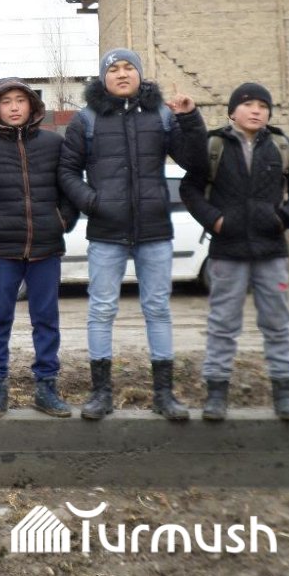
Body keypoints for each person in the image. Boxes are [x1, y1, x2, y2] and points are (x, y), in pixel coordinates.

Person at [59, 48, 207, 421]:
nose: (122, 74)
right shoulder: (86, 120)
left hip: (154, 229)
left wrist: (190, 118)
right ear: (103, 77)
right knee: (101, 308)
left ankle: (164, 394)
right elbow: (67, 172)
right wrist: (93, 202)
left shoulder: (162, 115)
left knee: (157, 308)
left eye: (129, 68)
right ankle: (101, 393)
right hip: (106, 230)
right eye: (114, 69)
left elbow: (196, 161)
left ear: (139, 74)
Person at [180, 82, 289, 421]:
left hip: (272, 251)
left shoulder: (281, 145)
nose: (256, 110)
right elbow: (190, 188)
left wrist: (284, 218)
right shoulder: (214, 145)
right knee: (222, 324)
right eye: (249, 104)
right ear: (232, 111)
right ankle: (216, 393)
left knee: (277, 323)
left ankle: (283, 393)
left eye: (263, 106)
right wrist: (216, 221)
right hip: (227, 251)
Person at [0, 80, 78, 419]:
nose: (14, 107)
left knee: (46, 321)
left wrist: (61, 221)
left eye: (20, 100)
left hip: (46, 249)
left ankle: (47, 387)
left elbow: (69, 189)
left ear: (32, 105)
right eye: (6, 102)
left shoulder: (54, 144)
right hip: (1, 251)